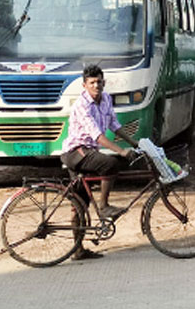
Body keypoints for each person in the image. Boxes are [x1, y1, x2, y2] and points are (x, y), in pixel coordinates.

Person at [60, 64, 137, 259]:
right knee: (110, 164)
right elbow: (98, 136)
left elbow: (115, 124)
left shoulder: (106, 99)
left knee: (81, 203)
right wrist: (120, 151)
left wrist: (134, 142)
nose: (96, 86)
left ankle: (78, 251)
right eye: (92, 82)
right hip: (76, 152)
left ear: (104, 82)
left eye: (99, 82)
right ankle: (104, 207)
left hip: (88, 152)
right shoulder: (82, 105)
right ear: (84, 85)